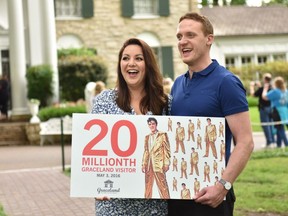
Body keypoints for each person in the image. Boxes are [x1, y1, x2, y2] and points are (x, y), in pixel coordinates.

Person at [169, 12, 254, 216]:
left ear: (209, 39)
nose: (183, 41)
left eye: (190, 35)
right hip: (177, 195)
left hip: (211, 198)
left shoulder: (226, 82)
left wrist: (222, 186)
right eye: (179, 36)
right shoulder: (178, 84)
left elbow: (245, 141)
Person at [91, 38, 171, 215]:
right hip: (114, 207)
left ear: (148, 64)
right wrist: (93, 186)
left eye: (138, 58)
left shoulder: (165, 103)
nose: (131, 63)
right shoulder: (103, 101)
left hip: (153, 207)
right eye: (125, 58)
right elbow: (90, 153)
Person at [142, 117, 171, 199]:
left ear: (156, 124)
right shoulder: (147, 137)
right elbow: (146, 151)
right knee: (148, 184)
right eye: (150, 124)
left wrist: (166, 163)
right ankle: (146, 200)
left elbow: (166, 149)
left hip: (159, 163)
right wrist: (143, 164)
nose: (151, 126)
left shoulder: (162, 135)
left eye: (153, 124)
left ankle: (166, 199)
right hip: (148, 164)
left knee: (162, 184)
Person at [262, 76, 288, 148]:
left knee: (279, 128)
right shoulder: (285, 91)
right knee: (279, 127)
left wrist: (265, 88)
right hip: (285, 110)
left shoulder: (276, 91)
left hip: (277, 111)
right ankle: (278, 145)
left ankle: (286, 144)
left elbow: (265, 97)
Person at [250, 73, 275, 147]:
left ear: (265, 79)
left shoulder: (264, 88)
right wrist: (260, 87)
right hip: (270, 108)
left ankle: (269, 142)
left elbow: (253, 94)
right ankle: (272, 141)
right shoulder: (272, 87)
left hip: (264, 108)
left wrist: (251, 86)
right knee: (270, 125)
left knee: (265, 125)